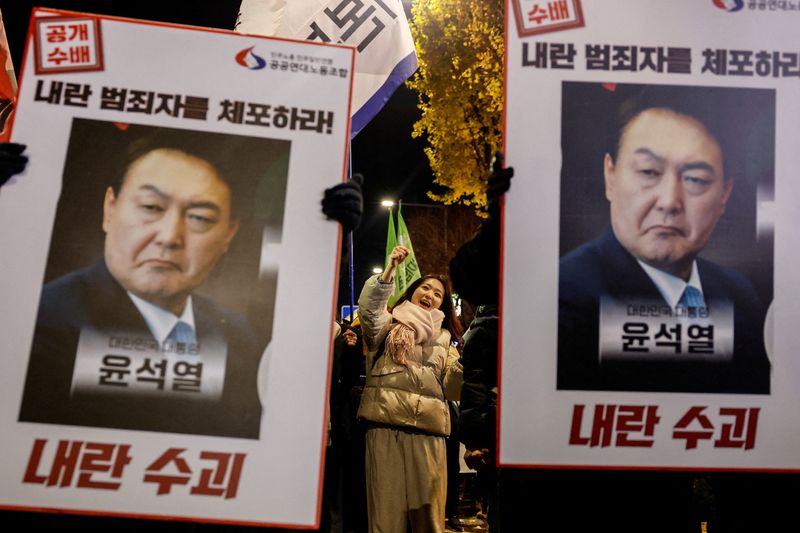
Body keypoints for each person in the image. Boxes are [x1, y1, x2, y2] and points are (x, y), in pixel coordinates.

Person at [18, 129, 363, 438]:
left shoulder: (240, 337)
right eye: (151, 207)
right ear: (110, 208)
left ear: (229, 234)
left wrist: (327, 238)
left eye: (199, 217)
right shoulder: (34, 324)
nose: (169, 237)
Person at [558, 89, 771, 394]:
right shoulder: (567, 296)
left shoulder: (741, 298)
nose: (670, 201)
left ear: (724, 194)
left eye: (695, 179)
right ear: (610, 176)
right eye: (648, 172)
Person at [357, 245, 463, 533]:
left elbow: (454, 389)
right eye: (425, 288)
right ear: (413, 291)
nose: (429, 295)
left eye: (437, 293)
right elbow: (369, 309)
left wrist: (468, 363)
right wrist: (390, 268)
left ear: (443, 305)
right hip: (384, 428)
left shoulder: (445, 340)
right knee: (384, 522)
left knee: (428, 522)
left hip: (427, 436)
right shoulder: (387, 326)